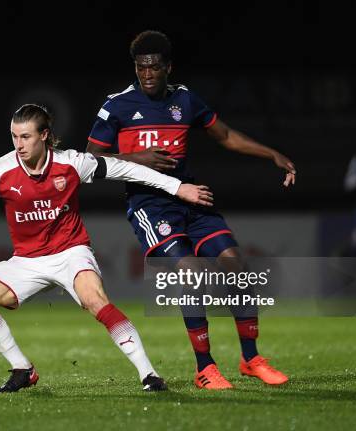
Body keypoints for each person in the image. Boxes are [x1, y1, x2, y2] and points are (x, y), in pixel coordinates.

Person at [0, 103, 214, 393]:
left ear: (44, 135)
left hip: (71, 253)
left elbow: (125, 169)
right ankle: (23, 370)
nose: (18, 144)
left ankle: (149, 374)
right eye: (14, 136)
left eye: (26, 137)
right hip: (27, 261)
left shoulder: (72, 163)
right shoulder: (1, 171)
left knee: (95, 301)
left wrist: (177, 187)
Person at [86, 30, 295, 389]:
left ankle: (251, 358)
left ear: (169, 67)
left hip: (190, 198)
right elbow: (89, 160)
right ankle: (205, 367)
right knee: (189, 271)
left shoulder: (185, 100)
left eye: (154, 67)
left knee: (235, 262)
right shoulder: (117, 106)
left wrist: (272, 154)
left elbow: (226, 136)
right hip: (149, 206)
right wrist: (138, 159)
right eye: (141, 68)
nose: (147, 74)